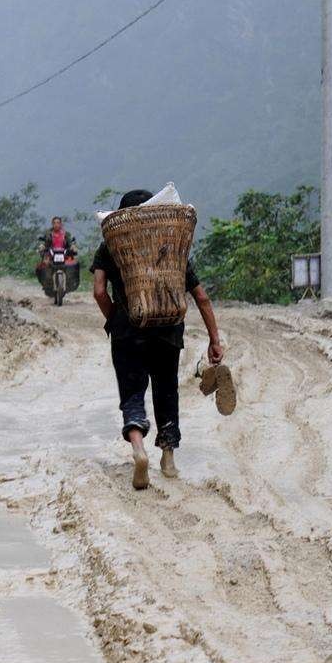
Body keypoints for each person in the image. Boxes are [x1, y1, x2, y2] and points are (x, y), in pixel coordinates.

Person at [90, 189, 224, 490]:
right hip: (168, 330)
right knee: (166, 390)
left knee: (132, 392)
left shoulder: (111, 246)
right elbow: (200, 296)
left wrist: (115, 319)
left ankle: (138, 450)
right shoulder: (170, 245)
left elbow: (99, 292)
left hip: (127, 329)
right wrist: (214, 339)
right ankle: (168, 458)